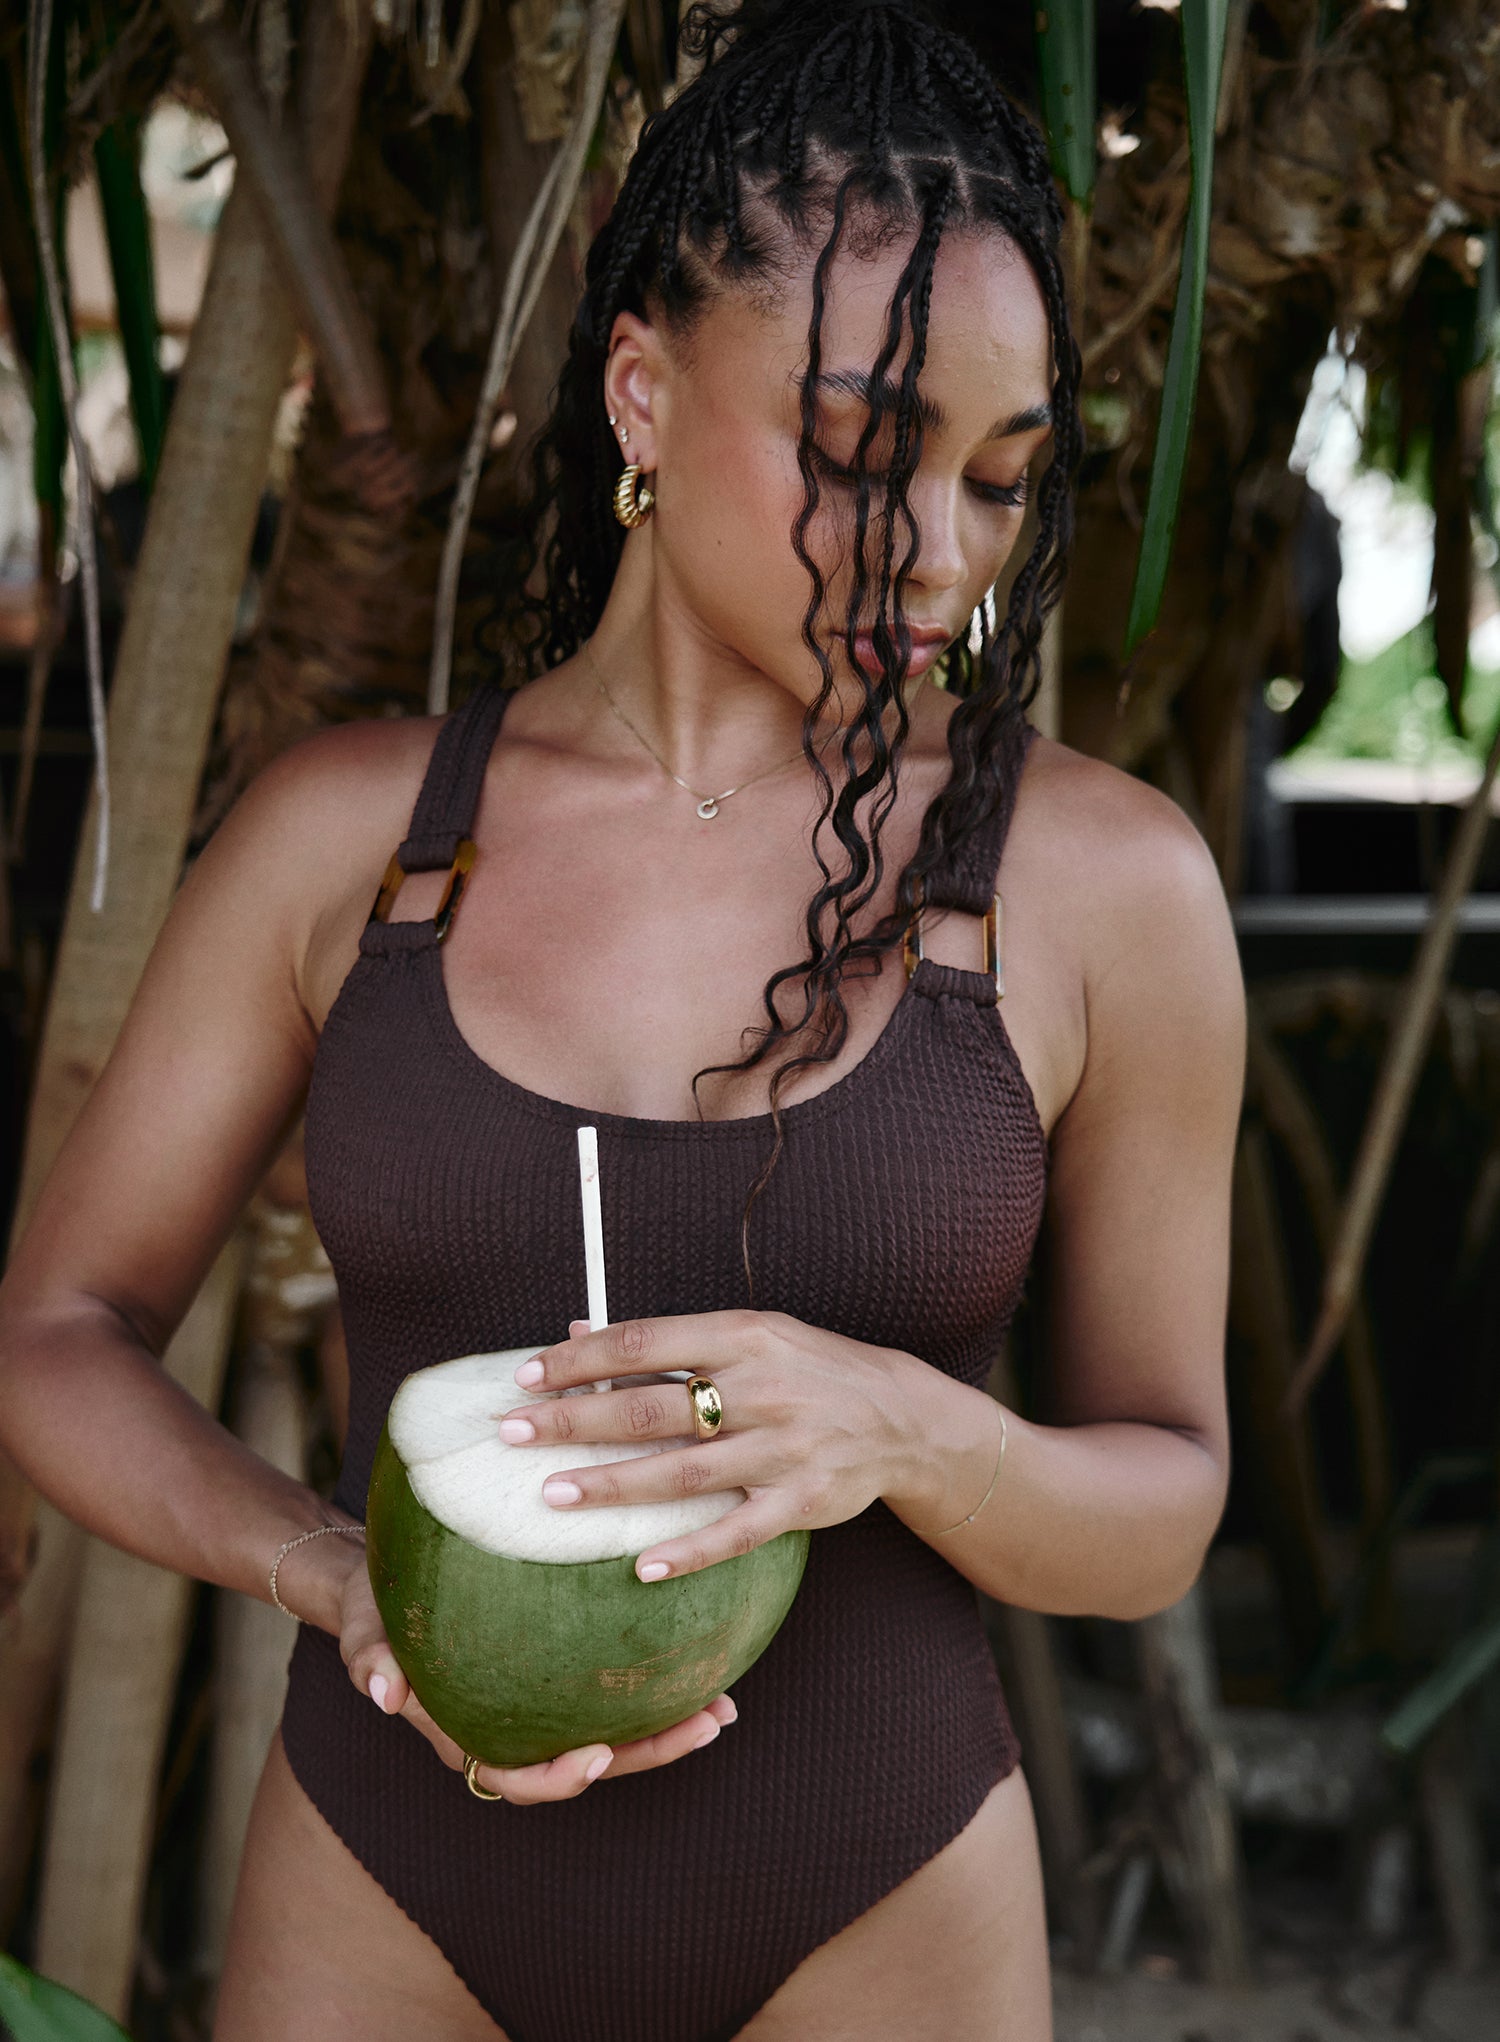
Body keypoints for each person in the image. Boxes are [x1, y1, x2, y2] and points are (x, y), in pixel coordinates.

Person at [0, 3, 1245, 2037]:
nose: (939, 557)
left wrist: (896, 1424)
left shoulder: (1107, 890)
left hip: (879, 1897)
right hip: (388, 1884)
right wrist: (330, 1567)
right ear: (645, 395)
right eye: (859, 450)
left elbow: (1162, 1507)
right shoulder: (357, 842)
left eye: (1005, 486)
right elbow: (56, 1333)